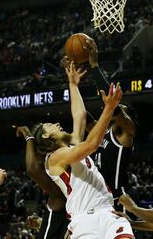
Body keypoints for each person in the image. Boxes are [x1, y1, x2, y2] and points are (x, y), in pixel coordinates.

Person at [32, 62, 134, 239]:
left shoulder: (72, 145)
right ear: (46, 137)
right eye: (50, 126)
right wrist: (109, 109)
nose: (56, 124)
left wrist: (73, 84)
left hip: (109, 212)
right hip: (84, 219)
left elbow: (79, 116)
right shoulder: (54, 159)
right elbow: (91, 145)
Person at [84, 38, 136, 202]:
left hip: (116, 199)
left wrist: (94, 67)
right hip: (95, 200)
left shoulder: (126, 132)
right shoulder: (100, 131)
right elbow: (81, 115)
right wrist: (72, 80)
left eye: (122, 111)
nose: (119, 112)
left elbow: (114, 103)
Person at [16, 126, 69, 239]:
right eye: (49, 125)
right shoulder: (58, 191)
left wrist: (41, 222)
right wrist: (28, 136)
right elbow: (32, 169)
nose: (57, 124)